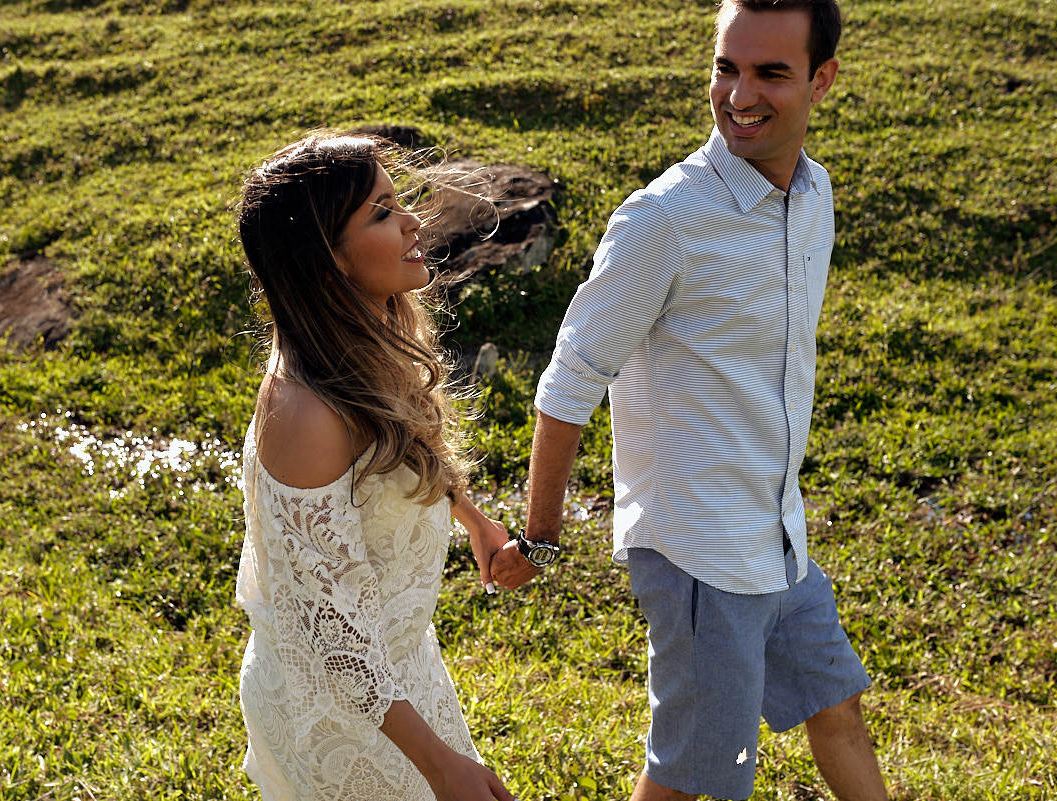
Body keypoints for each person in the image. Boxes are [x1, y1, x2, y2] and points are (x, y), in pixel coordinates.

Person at [491, 1, 890, 799]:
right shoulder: (664, 220)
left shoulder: (814, 197)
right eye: (726, 66)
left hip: (778, 530)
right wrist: (539, 536)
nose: (739, 94)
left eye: (770, 72)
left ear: (823, 80)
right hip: (701, 551)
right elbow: (571, 376)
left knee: (836, 703)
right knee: (694, 778)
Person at [234, 132, 514, 801]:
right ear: (328, 260)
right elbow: (331, 635)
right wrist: (441, 766)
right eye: (383, 213)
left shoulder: (374, 340)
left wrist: (471, 516)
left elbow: (405, 441)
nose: (414, 220)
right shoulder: (304, 414)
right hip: (334, 705)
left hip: (400, 672)